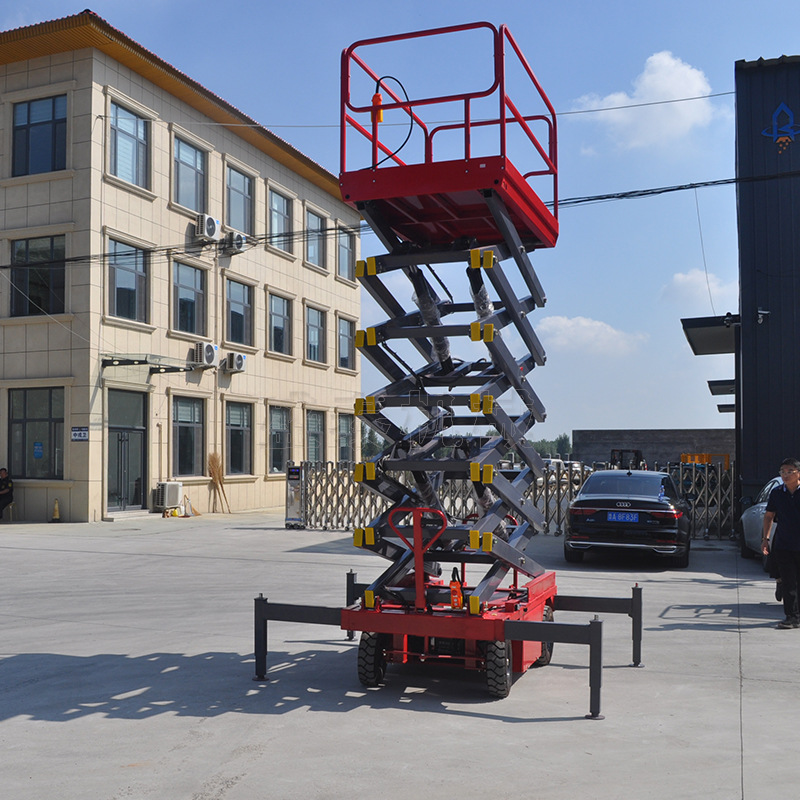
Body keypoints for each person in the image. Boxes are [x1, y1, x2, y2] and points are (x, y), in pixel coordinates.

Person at [762, 458, 800, 628]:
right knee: (788, 581)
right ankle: (791, 617)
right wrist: (765, 539)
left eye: (790, 471)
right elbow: (769, 516)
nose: (785, 475)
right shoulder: (777, 493)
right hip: (784, 543)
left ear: (798, 473)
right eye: (783, 472)